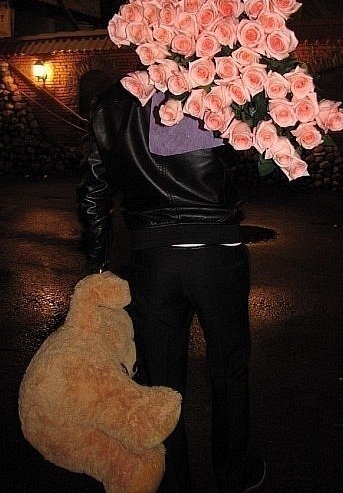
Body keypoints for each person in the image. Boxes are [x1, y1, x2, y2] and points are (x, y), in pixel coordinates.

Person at [77, 81, 266, 492]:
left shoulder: (111, 101)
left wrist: (96, 261)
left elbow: (94, 190)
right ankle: (234, 474)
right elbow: (249, 164)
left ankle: (174, 478)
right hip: (217, 253)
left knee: (161, 377)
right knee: (229, 368)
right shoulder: (216, 82)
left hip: (153, 258)